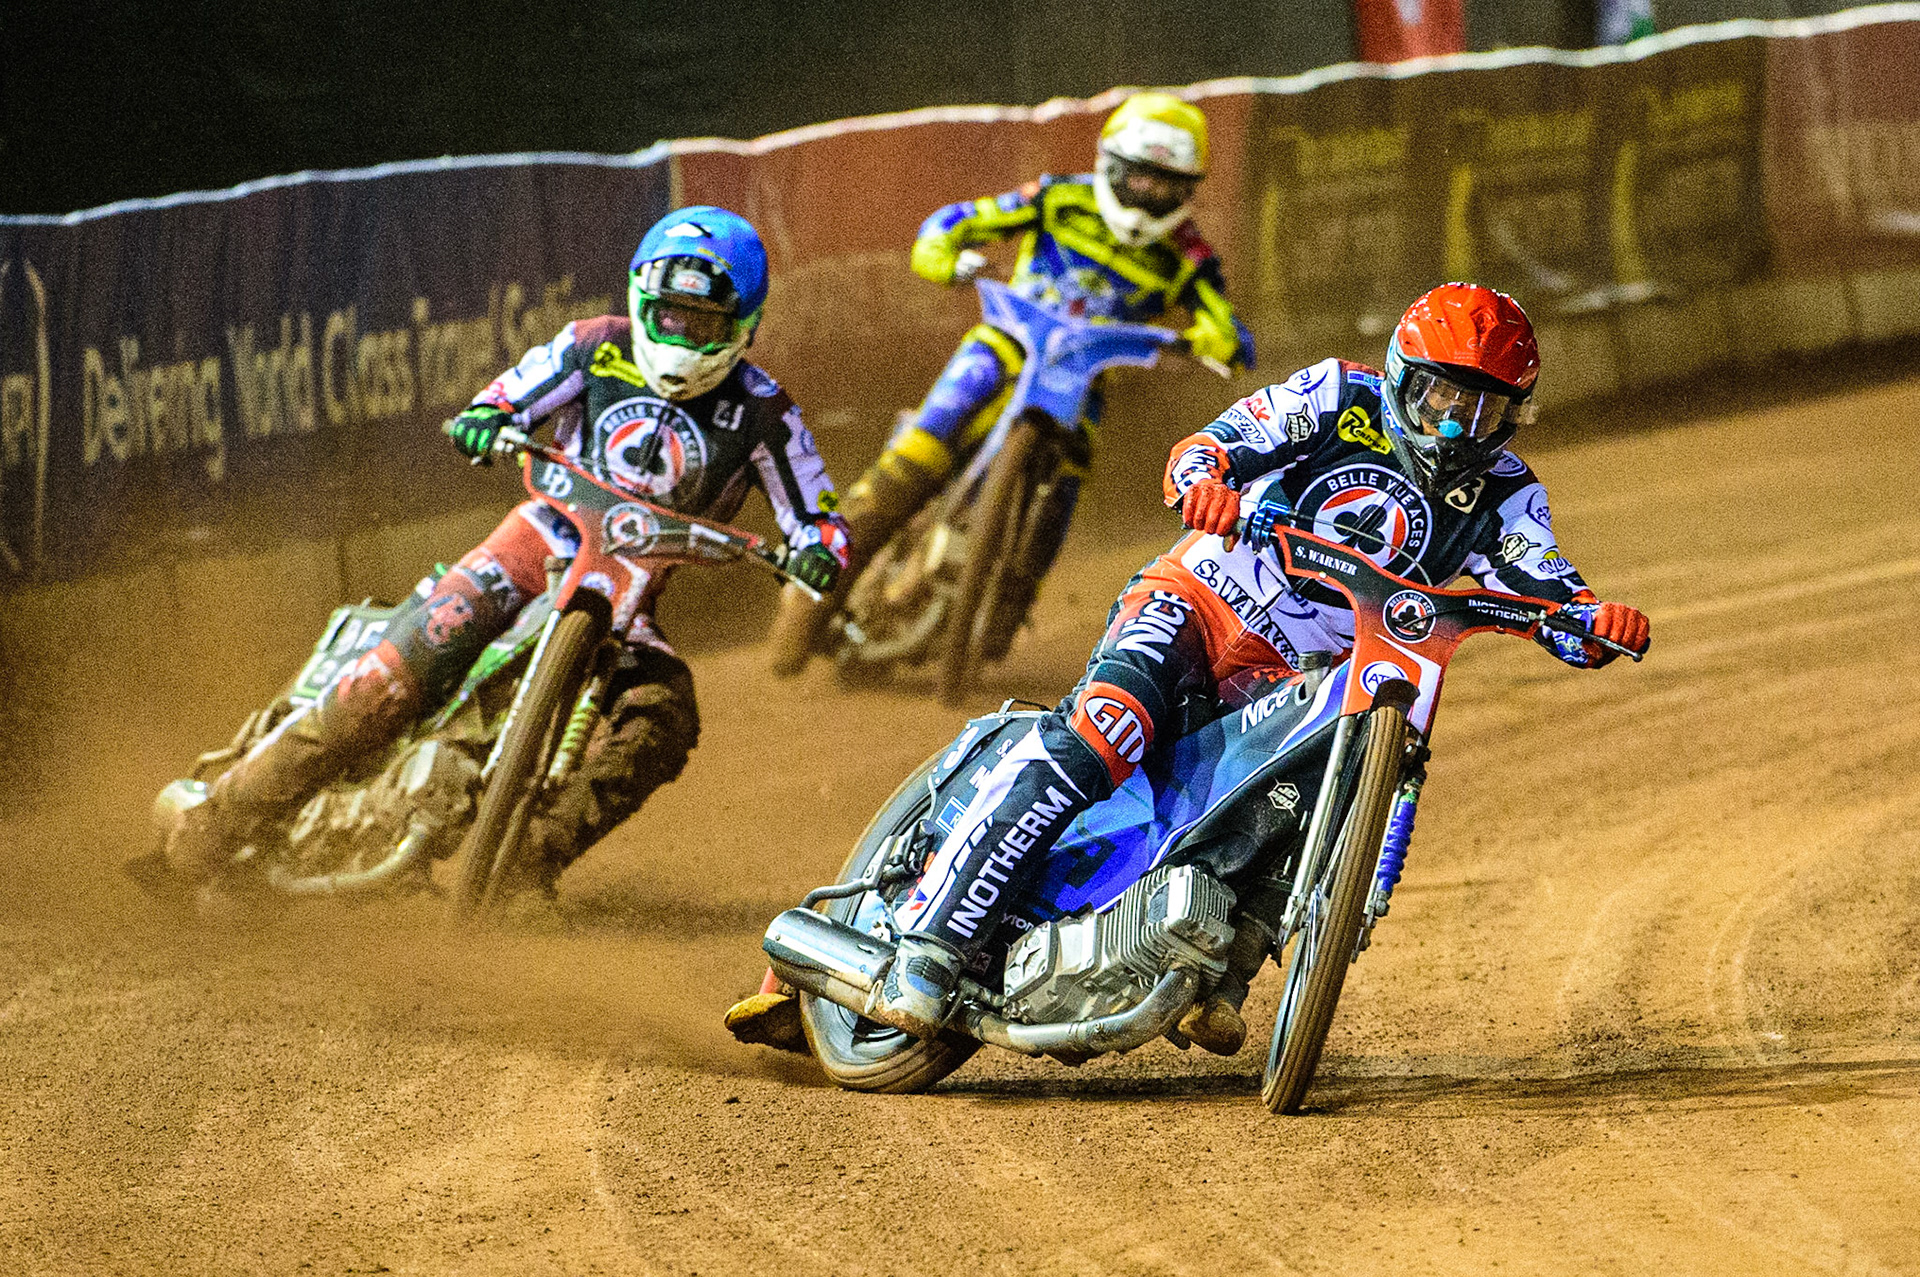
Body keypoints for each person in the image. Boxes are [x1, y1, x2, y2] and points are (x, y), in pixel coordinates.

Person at [836, 282, 1651, 1051]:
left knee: (1309, 787)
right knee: (1104, 731)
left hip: (1298, 677)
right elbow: (1212, 446)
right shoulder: (1339, 395)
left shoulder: (1508, 493)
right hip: (1200, 598)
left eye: (1486, 411)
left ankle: (1222, 971)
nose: (1457, 428)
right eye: (1444, 397)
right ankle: (930, 938)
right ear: (1406, 376)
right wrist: (1210, 484)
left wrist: (1589, 622)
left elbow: (1546, 579)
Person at [156, 206, 850, 897]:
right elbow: (509, 394)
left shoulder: (765, 412)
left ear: (744, 328)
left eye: (704, 324)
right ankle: (218, 820)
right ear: (643, 301)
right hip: (536, 540)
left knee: (663, 714)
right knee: (396, 670)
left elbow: (817, 513)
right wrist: (486, 419)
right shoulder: (594, 345)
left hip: (632, 590)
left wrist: (820, 549)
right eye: (671, 316)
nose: (683, 336)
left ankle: (525, 866)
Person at [767, 90, 1256, 673]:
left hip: (1082, 375)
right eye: (1139, 177)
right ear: (1109, 166)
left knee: (1068, 484)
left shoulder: (1190, 254)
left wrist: (1216, 341)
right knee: (925, 442)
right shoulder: (1057, 197)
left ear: (1189, 188)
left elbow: (1229, 326)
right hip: (1003, 343)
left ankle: (1010, 603)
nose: (1148, 195)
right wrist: (943, 252)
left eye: (1166, 184)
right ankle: (815, 591)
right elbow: (955, 222)